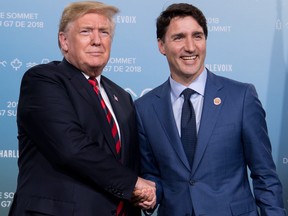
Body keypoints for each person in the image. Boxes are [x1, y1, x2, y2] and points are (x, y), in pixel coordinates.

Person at [134, 3, 286, 216]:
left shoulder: (241, 97)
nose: (190, 47)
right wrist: (151, 195)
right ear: (161, 45)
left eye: (197, 36)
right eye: (179, 37)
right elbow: (152, 175)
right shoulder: (144, 108)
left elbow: (265, 175)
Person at [9, 1, 156, 216]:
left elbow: (130, 163)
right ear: (64, 40)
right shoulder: (43, 80)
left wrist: (149, 194)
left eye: (104, 32)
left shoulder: (122, 97)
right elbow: (71, 147)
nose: (97, 40)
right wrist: (133, 184)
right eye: (86, 31)